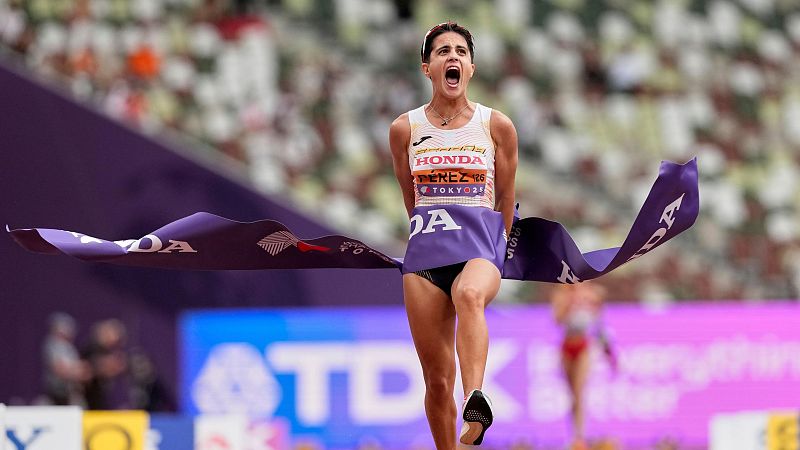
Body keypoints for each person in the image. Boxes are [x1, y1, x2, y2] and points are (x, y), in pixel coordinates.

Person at [389, 22, 518, 449]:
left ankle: (475, 397)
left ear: (471, 68)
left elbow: (506, 197)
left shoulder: (495, 125)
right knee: (437, 380)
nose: (453, 57)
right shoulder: (404, 129)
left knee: (469, 294)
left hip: (480, 249)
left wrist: (499, 249)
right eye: (443, 51)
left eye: (461, 52)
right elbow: (411, 200)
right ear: (427, 67)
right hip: (425, 257)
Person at [551, 281, 616, 450]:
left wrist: (609, 353)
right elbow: (557, 320)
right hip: (567, 345)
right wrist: (569, 303)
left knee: (579, 392)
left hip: (583, 345)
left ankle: (579, 437)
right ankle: (574, 435)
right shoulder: (562, 294)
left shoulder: (592, 294)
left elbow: (599, 326)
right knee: (572, 395)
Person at [42, 312, 91, 406]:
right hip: (57, 392)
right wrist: (77, 371)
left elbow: (83, 370)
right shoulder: (53, 345)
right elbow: (59, 369)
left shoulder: (69, 347)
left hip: (70, 391)